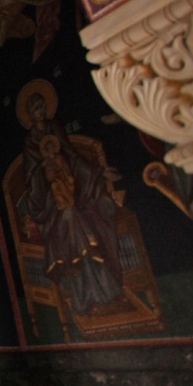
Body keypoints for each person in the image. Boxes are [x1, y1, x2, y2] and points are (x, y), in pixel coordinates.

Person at [16, 82, 126, 316]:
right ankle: (85, 297)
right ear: (30, 114)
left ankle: (102, 292)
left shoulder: (55, 128)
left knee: (78, 217)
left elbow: (73, 158)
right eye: (35, 108)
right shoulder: (30, 141)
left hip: (74, 193)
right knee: (70, 217)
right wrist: (45, 174)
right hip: (50, 206)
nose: (39, 111)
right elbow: (31, 179)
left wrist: (98, 172)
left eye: (41, 106)